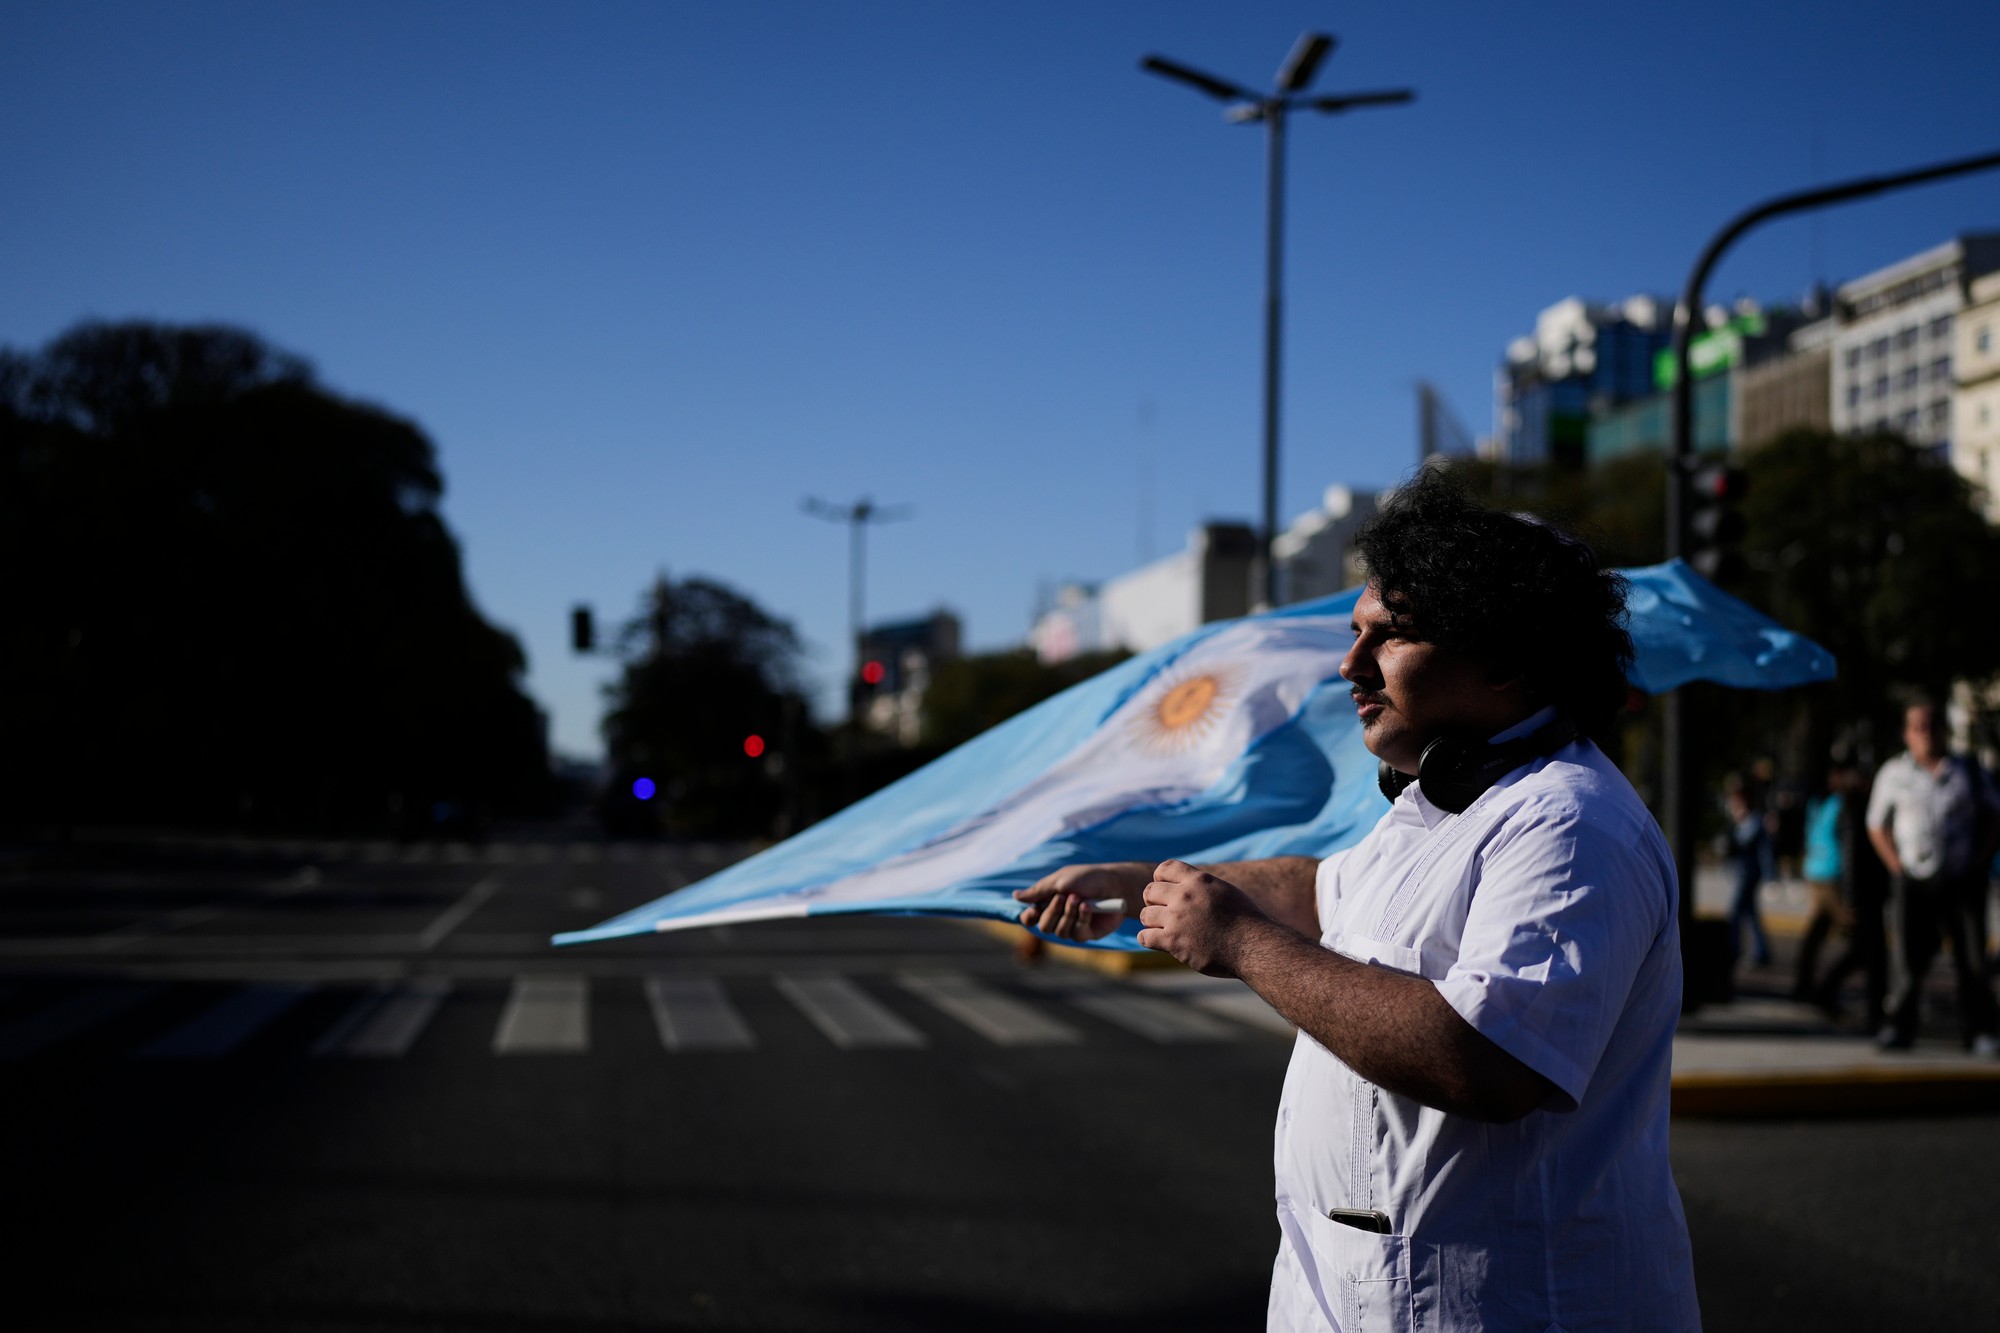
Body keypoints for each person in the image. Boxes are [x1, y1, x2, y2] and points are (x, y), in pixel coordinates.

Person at [1016, 471, 1698, 1332]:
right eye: (1355, 633)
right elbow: (1316, 890)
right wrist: (1141, 880)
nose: (1350, 665)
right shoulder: (1441, 801)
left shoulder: (1570, 824)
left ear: (1506, 657)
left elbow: (1488, 1059)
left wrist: (1240, 943)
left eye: (1390, 636)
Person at [1866, 701, 2000, 1054]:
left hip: (1961, 878)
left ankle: (1981, 1030)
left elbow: (1994, 816)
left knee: (1972, 959)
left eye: (1932, 726)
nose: (1926, 734)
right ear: (1907, 734)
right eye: (1918, 727)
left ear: (1944, 731)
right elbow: (1877, 825)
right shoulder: (1894, 773)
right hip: (1914, 879)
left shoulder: (1968, 771)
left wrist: (1980, 859)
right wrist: (1896, 865)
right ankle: (1900, 1026)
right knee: (1908, 959)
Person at [1812, 751, 1888, 1029]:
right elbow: (1851, 855)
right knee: (1871, 952)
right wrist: (1852, 896)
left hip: (1867, 890)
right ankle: (1870, 1009)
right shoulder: (1853, 807)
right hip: (1862, 891)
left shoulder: (1855, 804)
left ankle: (1831, 994)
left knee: (1864, 951)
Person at [1724, 785, 1772, 968]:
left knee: (1736, 913)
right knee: (1751, 914)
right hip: (1742, 872)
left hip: (1749, 874)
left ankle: (1733, 949)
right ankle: (1761, 951)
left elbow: (1751, 847)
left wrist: (1770, 876)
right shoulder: (1741, 822)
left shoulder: (1753, 821)